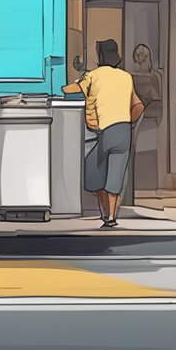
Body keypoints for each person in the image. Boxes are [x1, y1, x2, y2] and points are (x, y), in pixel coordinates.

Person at [62, 39, 144, 228]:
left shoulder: (94, 75)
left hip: (101, 132)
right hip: (122, 131)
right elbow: (139, 105)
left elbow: (68, 89)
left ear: (100, 56)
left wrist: (76, 81)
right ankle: (112, 217)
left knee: (96, 174)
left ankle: (104, 214)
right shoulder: (126, 77)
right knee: (115, 175)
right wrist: (127, 122)